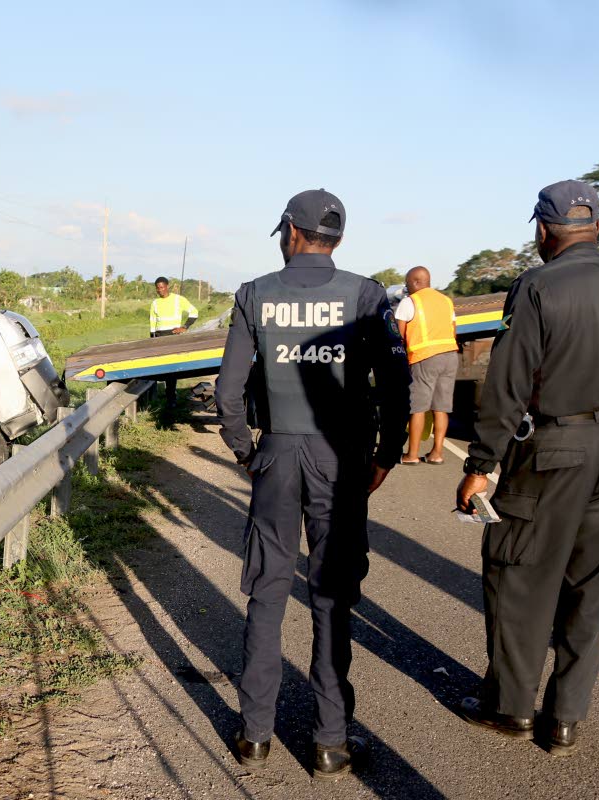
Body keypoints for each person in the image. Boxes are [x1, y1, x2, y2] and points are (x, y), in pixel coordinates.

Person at [455, 180, 599, 756]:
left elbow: (508, 382)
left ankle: (512, 709)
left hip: (555, 448)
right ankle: (566, 716)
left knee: (519, 577)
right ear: (596, 225)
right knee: (590, 587)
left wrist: (481, 462)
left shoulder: (537, 286)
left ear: (544, 229)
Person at [215, 189, 410, 779]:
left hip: (277, 455)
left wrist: (249, 452)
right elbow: (397, 385)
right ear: (337, 239)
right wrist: (385, 456)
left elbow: (228, 394)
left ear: (293, 233)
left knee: (267, 594)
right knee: (331, 597)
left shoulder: (254, 295)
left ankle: (255, 734)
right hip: (342, 458)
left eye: (283, 232)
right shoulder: (366, 295)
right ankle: (329, 741)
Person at [395, 266, 458, 464]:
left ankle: (411, 455)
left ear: (415, 282)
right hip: (450, 356)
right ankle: (436, 454)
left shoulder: (409, 302)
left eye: (407, 284)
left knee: (418, 407)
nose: (407, 288)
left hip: (424, 357)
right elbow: (453, 330)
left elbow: (399, 335)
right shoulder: (446, 301)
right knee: (441, 407)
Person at [149, 276, 198, 407]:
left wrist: (184, 327)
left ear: (167, 286)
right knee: (161, 368)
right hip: (159, 337)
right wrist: (152, 339)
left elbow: (194, 312)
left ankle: (171, 398)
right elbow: (152, 323)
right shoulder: (155, 303)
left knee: (171, 369)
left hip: (173, 337)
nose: (160, 290)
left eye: (162, 287)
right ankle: (162, 396)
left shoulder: (178, 299)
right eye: (158, 288)